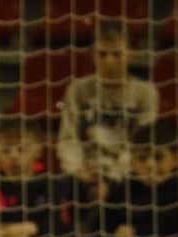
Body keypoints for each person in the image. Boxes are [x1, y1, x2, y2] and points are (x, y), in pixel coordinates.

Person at [56, 21, 157, 194]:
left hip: (125, 174)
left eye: (117, 54)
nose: (109, 61)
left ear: (131, 54)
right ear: (93, 55)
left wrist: (112, 177)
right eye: (102, 54)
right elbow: (67, 137)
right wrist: (78, 170)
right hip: (83, 172)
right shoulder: (77, 90)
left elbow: (142, 144)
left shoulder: (145, 93)